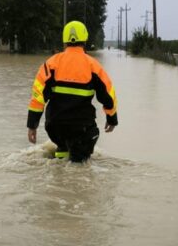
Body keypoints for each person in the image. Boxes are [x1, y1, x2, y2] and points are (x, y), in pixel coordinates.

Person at [26, 20, 118, 162]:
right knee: (79, 161)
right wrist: (112, 118)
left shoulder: (50, 64)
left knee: (62, 149)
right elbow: (108, 95)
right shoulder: (93, 65)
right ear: (85, 40)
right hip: (82, 126)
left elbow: (37, 97)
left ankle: (60, 165)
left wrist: (32, 125)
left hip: (55, 126)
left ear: (64, 41)